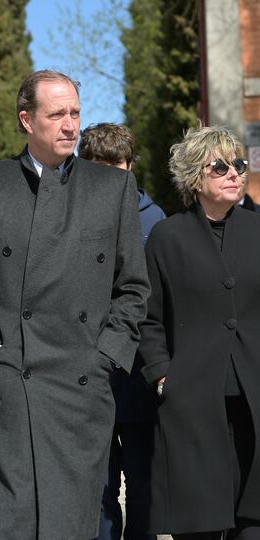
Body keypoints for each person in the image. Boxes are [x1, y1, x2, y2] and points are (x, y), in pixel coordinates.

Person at [0, 70, 150, 540]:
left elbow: (134, 289)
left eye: (75, 113)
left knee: (75, 521)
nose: (70, 125)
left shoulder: (112, 189)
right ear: (26, 120)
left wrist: (106, 357)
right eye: (57, 114)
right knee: (16, 520)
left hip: (83, 387)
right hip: (14, 384)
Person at [137, 125, 260, 540]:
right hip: (192, 399)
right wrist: (162, 373)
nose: (234, 174)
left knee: (253, 519)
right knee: (199, 521)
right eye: (220, 166)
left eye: (238, 165)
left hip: (255, 397)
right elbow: (149, 316)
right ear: (194, 177)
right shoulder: (167, 237)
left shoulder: (258, 231)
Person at [78, 122, 165, 540]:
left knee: (146, 483)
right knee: (98, 486)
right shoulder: (65, 214)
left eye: (117, 167)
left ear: (130, 168)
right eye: (98, 167)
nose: (109, 177)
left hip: (138, 372)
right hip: (87, 372)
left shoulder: (154, 222)